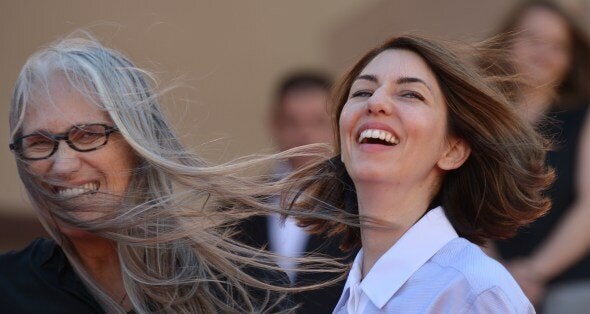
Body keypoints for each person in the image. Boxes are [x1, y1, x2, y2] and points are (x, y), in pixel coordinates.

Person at [0, 33, 343, 313]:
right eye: (39, 142)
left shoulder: (235, 287)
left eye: (88, 135)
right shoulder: (9, 288)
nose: (62, 165)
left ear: (139, 143)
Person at [286, 34, 555, 313]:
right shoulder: (352, 296)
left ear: (452, 149)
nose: (376, 102)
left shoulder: (474, 292)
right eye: (362, 92)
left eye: (410, 94)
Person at [487, 1, 590, 313]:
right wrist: (495, 274)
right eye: (532, 39)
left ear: (571, 59)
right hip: (490, 282)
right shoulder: (482, 119)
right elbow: (461, 203)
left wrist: (532, 272)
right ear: (506, 41)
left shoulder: (589, 116)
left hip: (572, 282)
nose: (543, 52)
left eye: (558, 46)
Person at [238, 72, 354, 313]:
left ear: (338, 125)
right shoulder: (237, 211)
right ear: (274, 125)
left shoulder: (359, 209)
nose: (305, 134)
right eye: (292, 122)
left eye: (317, 122)